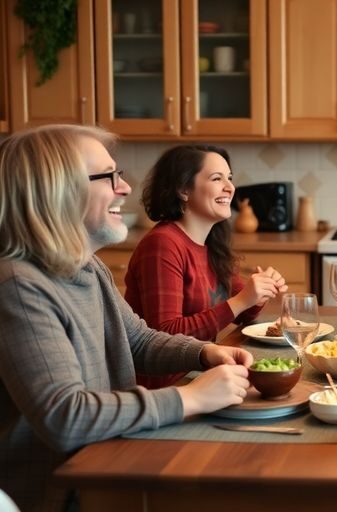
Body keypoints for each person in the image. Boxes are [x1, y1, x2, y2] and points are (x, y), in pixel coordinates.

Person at [0, 125, 253, 512]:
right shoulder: (19, 285)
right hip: (61, 493)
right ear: (57, 190)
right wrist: (191, 397)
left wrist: (204, 354)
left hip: (107, 464)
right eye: (109, 176)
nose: (125, 188)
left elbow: (137, 340)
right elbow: (65, 417)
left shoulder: (87, 268)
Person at [124, 145, 288, 389]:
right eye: (216, 178)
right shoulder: (162, 244)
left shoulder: (211, 242)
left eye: (230, 178)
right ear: (183, 190)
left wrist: (259, 293)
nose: (230, 187)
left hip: (198, 375)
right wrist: (243, 300)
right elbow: (165, 335)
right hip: (164, 388)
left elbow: (242, 312)